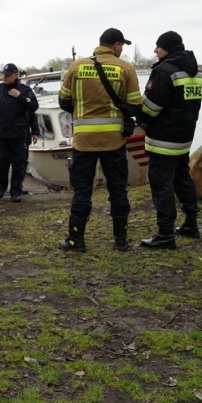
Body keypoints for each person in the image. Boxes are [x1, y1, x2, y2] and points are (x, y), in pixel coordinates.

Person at [56, 28, 142, 253]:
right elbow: (135, 105)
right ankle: (121, 241)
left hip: (84, 142)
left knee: (82, 191)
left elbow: (64, 101)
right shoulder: (125, 68)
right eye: (122, 46)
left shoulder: (77, 66)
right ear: (115, 45)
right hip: (114, 141)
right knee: (118, 190)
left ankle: (76, 240)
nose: (122, 50)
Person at [138, 31, 202, 249]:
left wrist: (138, 115)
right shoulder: (195, 71)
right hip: (184, 138)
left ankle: (165, 234)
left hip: (163, 140)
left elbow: (150, 108)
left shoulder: (164, 71)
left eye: (158, 47)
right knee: (183, 180)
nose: (155, 50)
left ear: (168, 48)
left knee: (161, 185)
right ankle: (191, 225)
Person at [0, 63, 39, 202]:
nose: (5, 77)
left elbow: (33, 108)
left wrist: (20, 96)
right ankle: (1, 188)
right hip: (1, 133)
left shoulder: (25, 90)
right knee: (0, 162)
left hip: (19, 133)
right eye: (4, 74)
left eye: (8, 75)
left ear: (16, 75)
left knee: (19, 163)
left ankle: (16, 191)